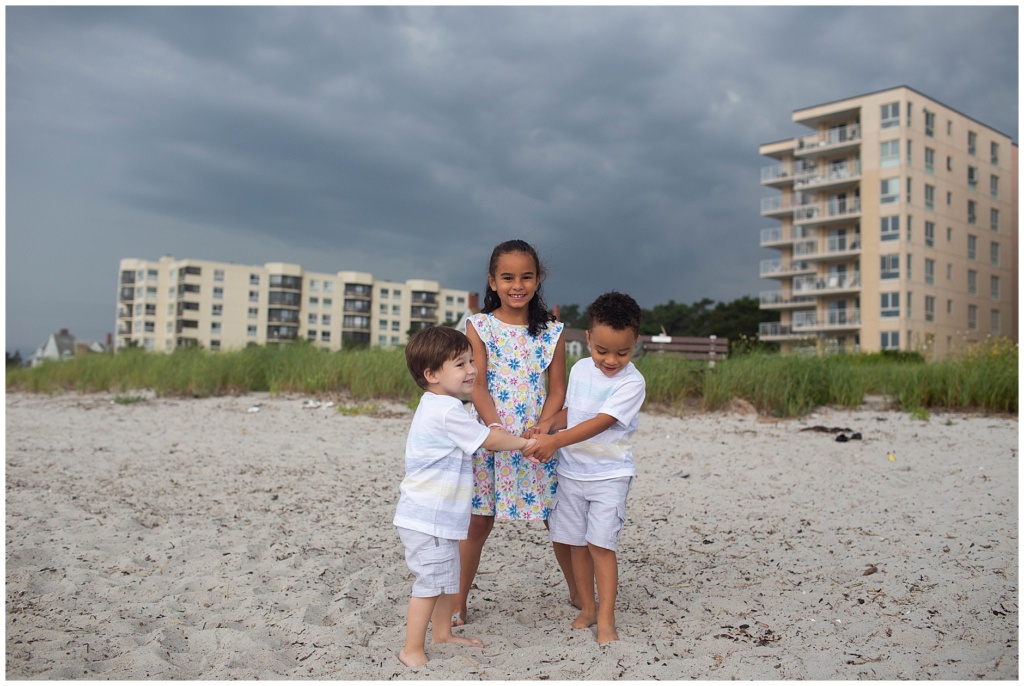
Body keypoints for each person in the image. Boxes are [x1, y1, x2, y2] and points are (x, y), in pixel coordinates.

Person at [394, 326, 538, 667]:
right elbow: (489, 442)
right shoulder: (446, 410)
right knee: (429, 581)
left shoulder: (440, 406)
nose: (472, 369)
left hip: (438, 515)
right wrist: (524, 443)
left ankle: (442, 633)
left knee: (445, 577)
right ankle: (411, 648)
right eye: (460, 364)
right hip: (426, 517)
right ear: (431, 374)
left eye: (471, 361)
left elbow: (481, 435)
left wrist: (492, 430)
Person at [452, 239, 576, 626]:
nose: (516, 285)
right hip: (490, 433)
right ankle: (457, 602)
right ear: (492, 281)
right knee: (478, 519)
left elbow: (557, 390)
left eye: (526, 277)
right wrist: (495, 428)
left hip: (536, 436)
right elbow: (478, 384)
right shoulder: (480, 325)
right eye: (507, 277)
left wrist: (542, 428)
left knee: (556, 517)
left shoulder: (552, 332)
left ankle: (578, 593)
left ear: (538, 280)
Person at [523, 291, 646, 644]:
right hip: (572, 473)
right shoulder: (579, 369)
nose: (611, 360)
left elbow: (601, 422)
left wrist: (554, 441)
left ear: (635, 343)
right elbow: (575, 415)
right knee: (577, 544)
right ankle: (588, 607)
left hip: (609, 475)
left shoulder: (631, 382)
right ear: (588, 338)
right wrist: (548, 426)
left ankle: (606, 617)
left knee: (601, 546)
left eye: (622, 352)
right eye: (602, 350)